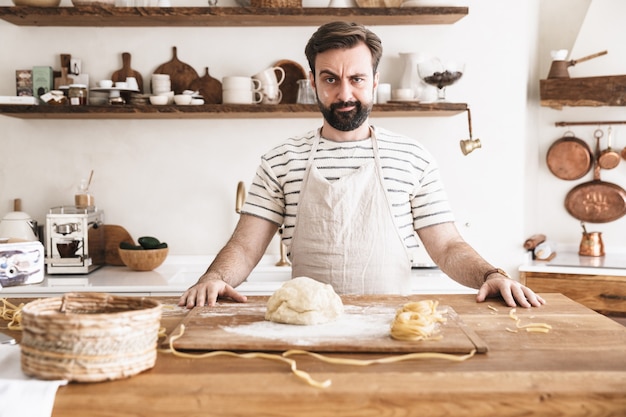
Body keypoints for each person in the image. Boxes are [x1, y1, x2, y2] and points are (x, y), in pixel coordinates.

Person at [179, 21, 545, 310]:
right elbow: (245, 247)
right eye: (330, 79)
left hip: (392, 329)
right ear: (313, 82)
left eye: (356, 79)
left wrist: (491, 274)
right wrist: (213, 277)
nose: (344, 94)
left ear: (374, 81)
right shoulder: (281, 160)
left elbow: (448, 246)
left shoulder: (412, 158)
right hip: (306, 328)